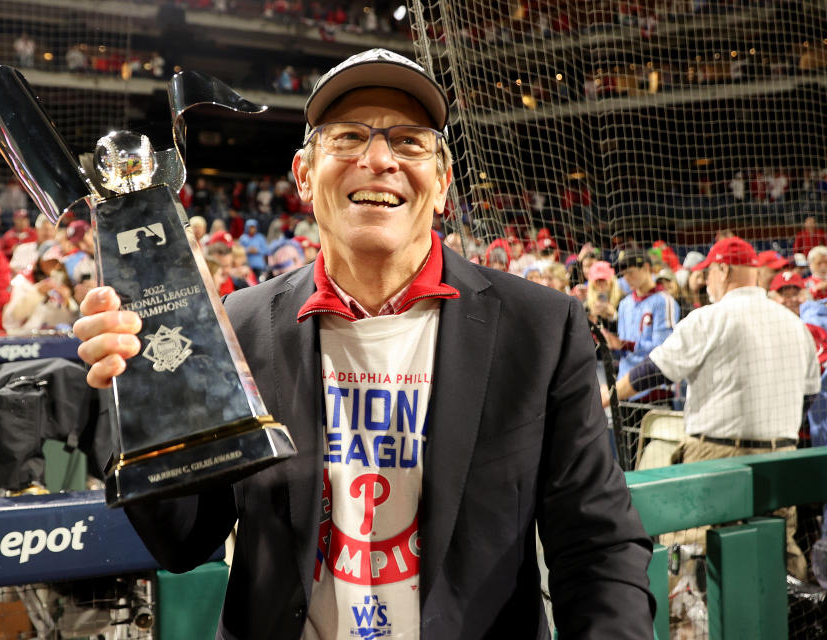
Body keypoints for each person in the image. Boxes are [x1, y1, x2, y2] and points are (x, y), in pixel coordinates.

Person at [73, 48, 654, 638]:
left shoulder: (541, 328)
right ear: (303, 173)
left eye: (409, 142)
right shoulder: (239, 325)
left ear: (443, 182)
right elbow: (184, 539)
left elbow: (597, 547)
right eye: (348, 137)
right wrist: (139, 390)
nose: (378, 159)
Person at [605, 237, 820, 579]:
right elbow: (807, 398)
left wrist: (605, 396)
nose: (705, 282)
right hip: (779, 463)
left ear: (724, 268)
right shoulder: (795, 325)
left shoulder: (710, 318)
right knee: (775, 570)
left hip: (717, 461)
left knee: (696, 568)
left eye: (709, 273)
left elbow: (652, 371)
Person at [604, 248, 679, 403]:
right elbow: (624, 348)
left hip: (654, 388)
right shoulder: (624, 304)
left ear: (646, 267)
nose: (626, 278)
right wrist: (612, 344)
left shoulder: (663, 301)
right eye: (623, 275)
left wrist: (627, 345)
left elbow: (664, 349)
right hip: (625, 384)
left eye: (630, 272)